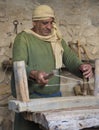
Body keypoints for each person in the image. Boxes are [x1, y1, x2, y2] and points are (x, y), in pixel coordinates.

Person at [11, 4, 93, 130]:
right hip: (30, 101)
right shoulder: (23, 38)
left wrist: (82, 67)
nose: (49, 27)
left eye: (51, 22)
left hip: (54, 101)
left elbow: (70, 59)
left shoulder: (57, 39)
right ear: (34, 22)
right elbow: (18, 65)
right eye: (45, 23)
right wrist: (34, 74)